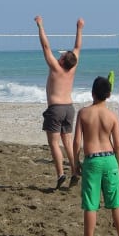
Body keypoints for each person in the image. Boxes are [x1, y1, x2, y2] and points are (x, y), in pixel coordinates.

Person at [72, 76, 119, 236]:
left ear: (92, 93)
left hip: (92, 160)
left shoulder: (83, 113)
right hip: (109, 159)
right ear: (109, 95)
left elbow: (77, 142)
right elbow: (118, 146)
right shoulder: (111, 116)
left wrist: (75, 162)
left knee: (91, 203)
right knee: (115, 201)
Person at [35, 15, 84, 189]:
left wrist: (40, 26)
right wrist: (79, 28)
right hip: (69, 108)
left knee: (54, 143)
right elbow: (77, 47)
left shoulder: (56, 67)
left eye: (62, 55)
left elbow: (45, 46)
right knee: (67, 141)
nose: (60, 55)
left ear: (62, 61)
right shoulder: (73, 67)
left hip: (55, 108)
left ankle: (60, 173)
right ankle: (75, 170)